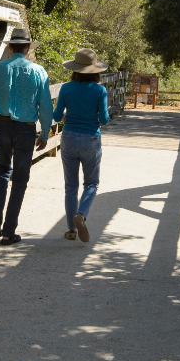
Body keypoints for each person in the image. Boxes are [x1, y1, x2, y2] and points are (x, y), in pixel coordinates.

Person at [0, 28, 53, 246]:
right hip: (26, 129)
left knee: (2, 171)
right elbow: (45, 107)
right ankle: (9, 231)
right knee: (20, 179)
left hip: (0, 126)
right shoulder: (39, 71)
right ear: (28, 48)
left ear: (10, 47)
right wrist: (45, 133)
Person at [53, 48, 109, 243]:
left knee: (70, 186)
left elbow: (56, 116)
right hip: (90, 140)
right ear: (96, 70)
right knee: (91, 183)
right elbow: (104, 119)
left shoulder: (66, 88)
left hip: (68, 138)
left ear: (74, 69)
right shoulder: (100, 90)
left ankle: (70, 229)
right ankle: (82, 214)